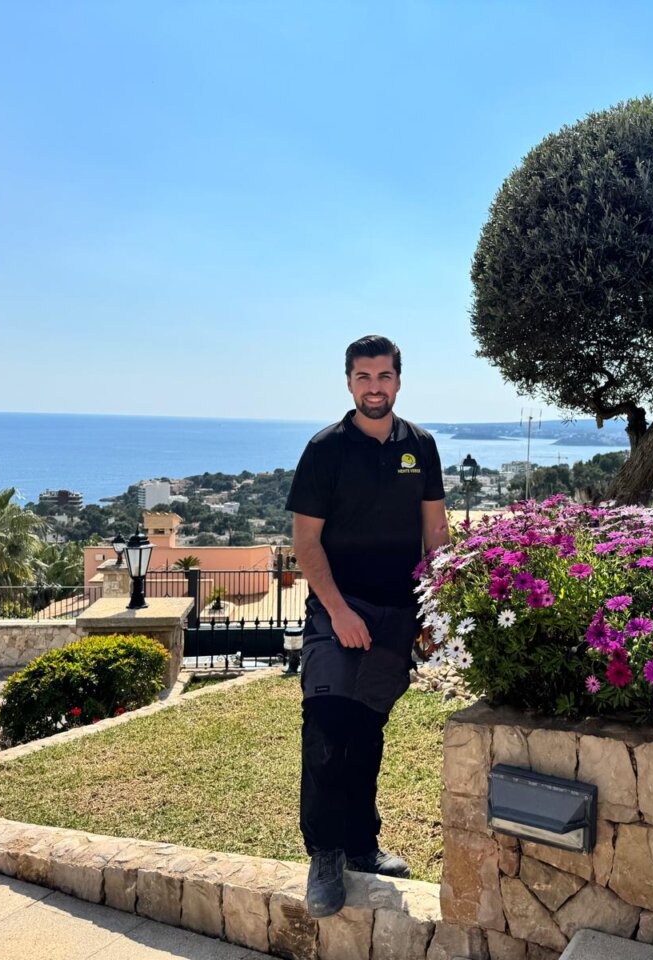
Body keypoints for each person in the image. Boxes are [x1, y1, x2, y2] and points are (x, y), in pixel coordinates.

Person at [284, 335, 449, 918]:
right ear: (349, 382)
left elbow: (435, 534)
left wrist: (437, 609)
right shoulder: (325, 449)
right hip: (338, 610)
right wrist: (340, 611)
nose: (373, 386)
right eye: (363, 376)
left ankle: (361, 846)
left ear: (398, 381)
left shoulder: (421, 447)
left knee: (367, 733)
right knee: (328, 726)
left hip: (398, 614)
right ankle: (324, 855)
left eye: (383, 376)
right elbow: (306, 543)